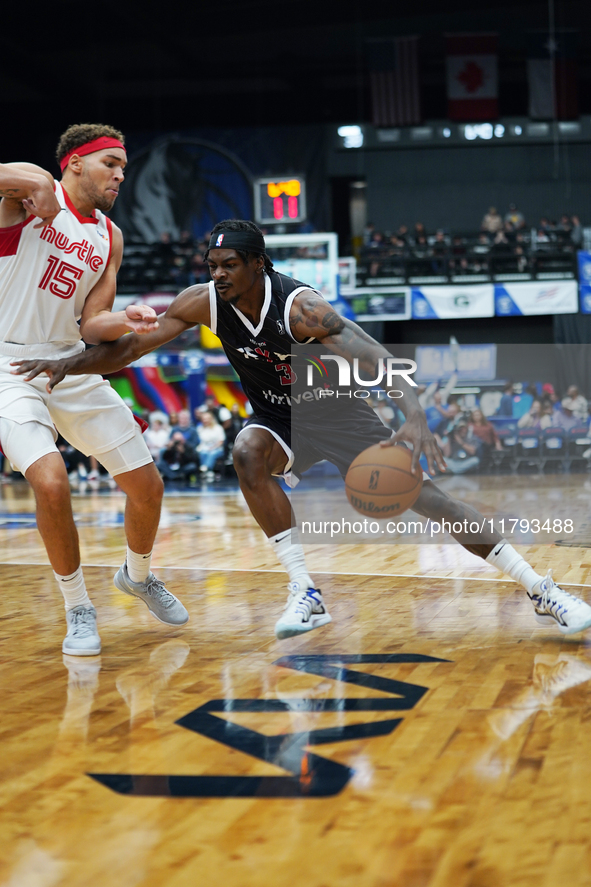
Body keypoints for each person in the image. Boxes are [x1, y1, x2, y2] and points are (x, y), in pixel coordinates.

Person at [13, 219, 591, 641]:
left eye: (229, 266)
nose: (217, 276)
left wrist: (413, 412)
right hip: (278, 419)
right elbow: (130, 348)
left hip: (339, 416)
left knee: (432, 502)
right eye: (211, 267)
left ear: (258, 264)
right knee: (246, 452)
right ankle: (305, 591)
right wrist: (69, 363)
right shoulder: (203, 303)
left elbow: (373, 354)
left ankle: (542, 588)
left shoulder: (301, 309)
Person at [0, 123, 189, 656]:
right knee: (53, 483)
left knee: (148, 488)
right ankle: (78, 606)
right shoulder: (25, 199)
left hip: (69, 364)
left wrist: (126, 318)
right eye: (110, 163)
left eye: (124, 167)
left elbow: (93, 322)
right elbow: (19, 180)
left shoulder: (110, 235)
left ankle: (138, 575)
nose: (121, 175)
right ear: (75, 163)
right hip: (9, 364)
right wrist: (28, 178)